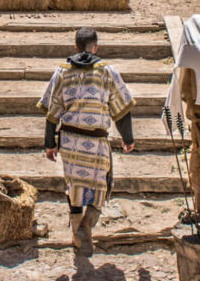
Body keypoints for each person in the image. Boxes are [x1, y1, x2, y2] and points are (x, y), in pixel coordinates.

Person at [38, 27, 135, 256]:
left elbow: (52, 111)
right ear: (96, 47)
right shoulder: (108, 72)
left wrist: (49, 143)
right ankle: (86, 227)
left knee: (74, 186)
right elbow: (121, 110)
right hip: (96, 140)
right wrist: (128, 138)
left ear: (75, 47)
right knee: (104, 183)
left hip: (69, 141)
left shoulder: (61, 73)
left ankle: (78, 235)